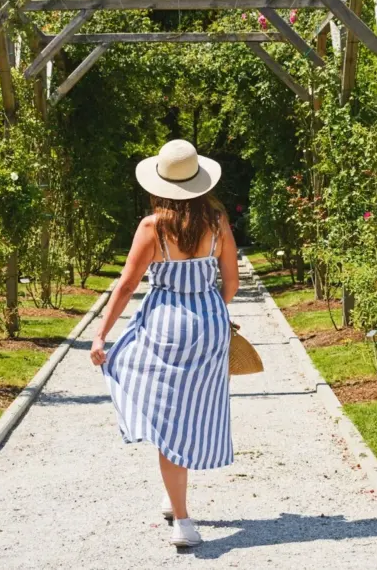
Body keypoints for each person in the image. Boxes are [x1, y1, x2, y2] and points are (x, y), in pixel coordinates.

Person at [90, 139, 240, 549]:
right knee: (191, 411)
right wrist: (211, 312)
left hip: (165, 327)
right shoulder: (218, 222)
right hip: (211, 328)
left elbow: (126, 285)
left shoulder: (153, 227)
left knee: (166, 414)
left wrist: (102, 334)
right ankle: (174, 495)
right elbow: (231, 283)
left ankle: (184, 521)